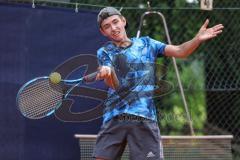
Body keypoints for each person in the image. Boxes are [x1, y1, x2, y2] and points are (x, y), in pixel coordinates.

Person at [94, 7, 224, 160]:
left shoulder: (147, 43)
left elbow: (180, 51)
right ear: (103, 32)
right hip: (114, 117)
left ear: (123, 21)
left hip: (144, 117)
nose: (113, 28)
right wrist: (107, 72)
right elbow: (113, 84)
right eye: (107, 26)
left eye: (115, 22)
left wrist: (197, 39)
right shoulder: (104, 52)